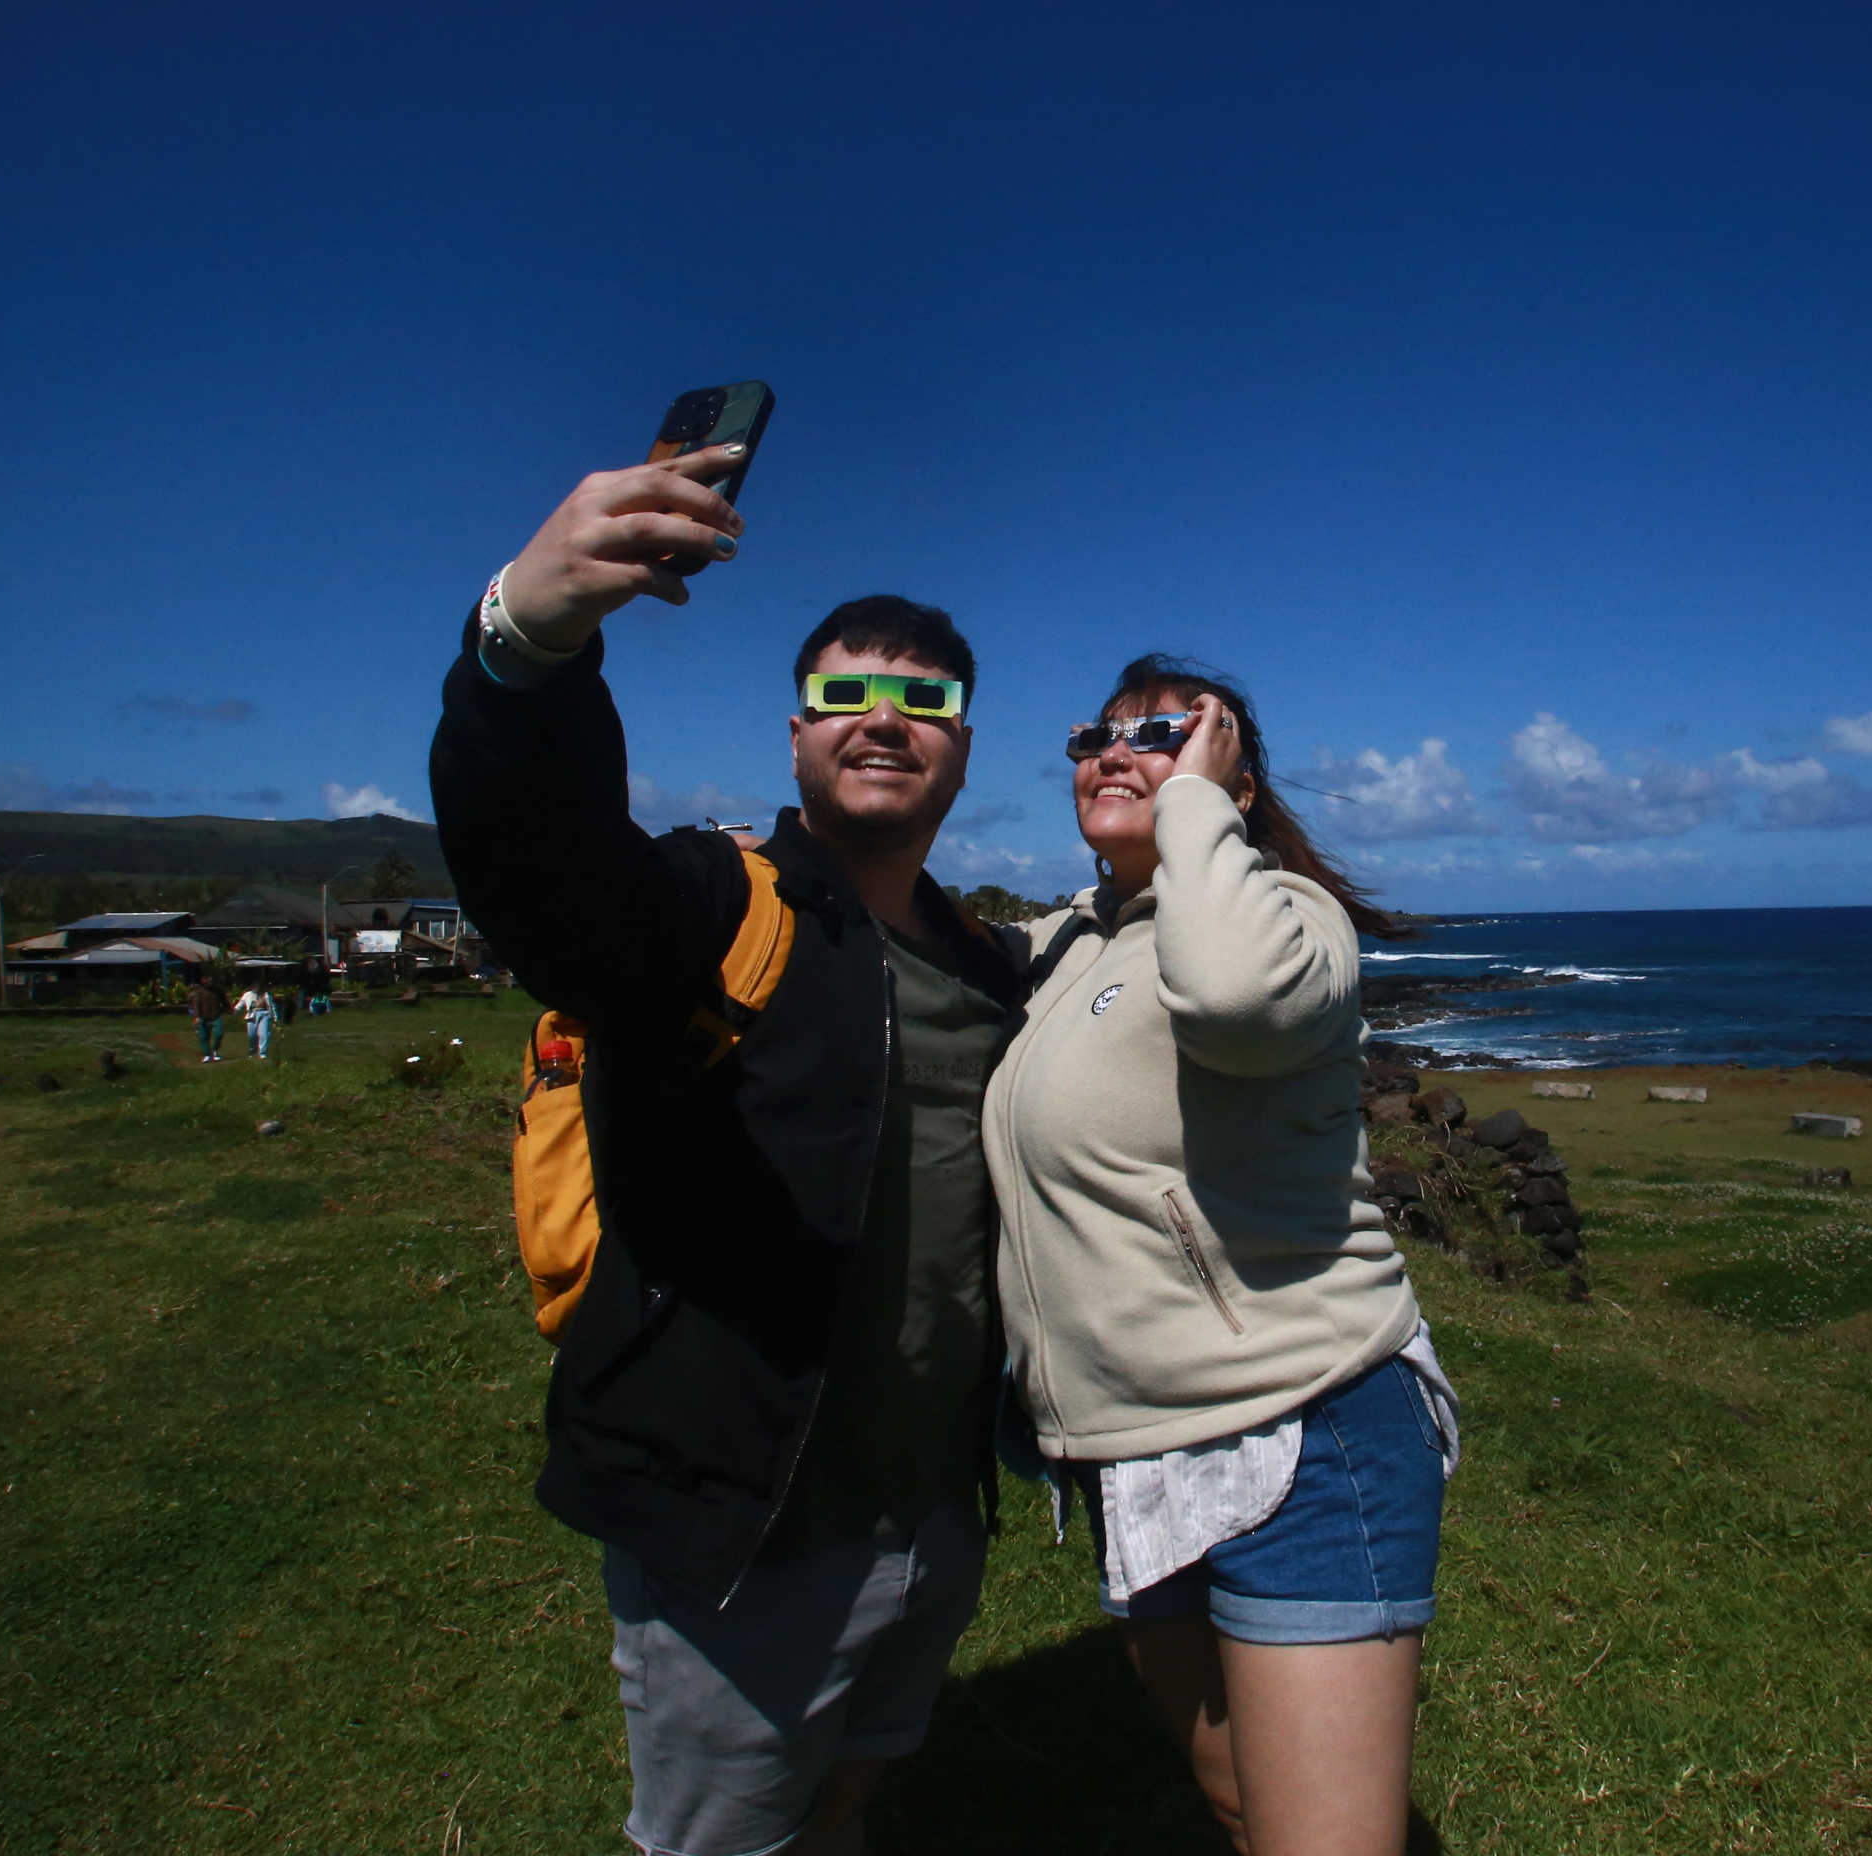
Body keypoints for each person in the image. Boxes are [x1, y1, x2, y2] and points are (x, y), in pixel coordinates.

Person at [428, 442, 1027, 1856]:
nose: (882, 720)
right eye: (844, 695)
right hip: (740, 1509)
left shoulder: (992, 964)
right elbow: (545, 866)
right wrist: (528, 641)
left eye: (921, 699)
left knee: (856, 1788)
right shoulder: (711, 907)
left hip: (935, 1498)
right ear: (797, 732)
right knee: (714, 1839)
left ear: (961, 741)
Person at [984, 655, 1455, 1856]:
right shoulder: (1063, 949)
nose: (1111, 749)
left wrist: (1196, 803)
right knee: (1240, 1804)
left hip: (1301, 1426)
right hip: (1134, 1450)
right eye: (1093, 731)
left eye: (1160, 732)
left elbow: (1236, 1004)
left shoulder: (1291, 918)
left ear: (1231, 779)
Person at [187, 968, 227, 1062]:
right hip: (203, 1017)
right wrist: (196, 1017)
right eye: (207, 979)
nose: (210, 981)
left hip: (215, 1016)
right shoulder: (198, 992)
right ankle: (207, 1054)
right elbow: (195, 1004)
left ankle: (215, 1051)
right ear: (203, 980)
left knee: (219, 1033)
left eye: (211, 979)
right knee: (203, 1037)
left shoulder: (217, 990)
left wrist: (227, 1009)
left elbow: (224, 1001)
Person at [236, 977, 278, 1059]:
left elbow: (272, 1006)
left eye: (258, 986)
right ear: (252, 987)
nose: (256, 988)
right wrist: (234, 1010)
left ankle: (262, 1052)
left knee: (263, 1034)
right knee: (251, 1035)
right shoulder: (247, 995)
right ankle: (252, 1050)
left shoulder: (266, 995)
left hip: (264, 1014)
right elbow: (240, 1004)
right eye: (255, 986)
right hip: (251, 1015)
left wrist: (275, 1018)